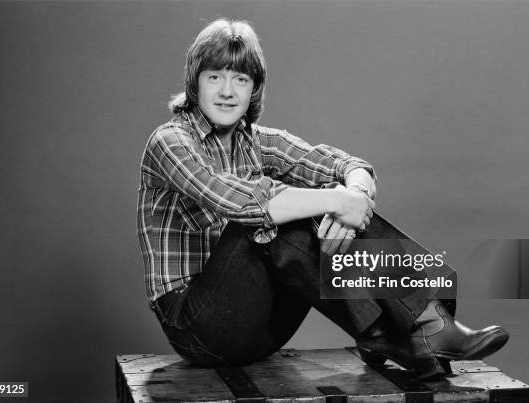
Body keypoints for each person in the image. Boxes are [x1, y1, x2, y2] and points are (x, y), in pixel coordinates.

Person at [137, 18, 508, 380]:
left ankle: (395, 332)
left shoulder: (257, 141)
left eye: (241, 79)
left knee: (309, 207)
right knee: (280, 216)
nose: (227, 91)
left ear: (254, 89)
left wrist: (355, 195)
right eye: (214, 77)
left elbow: (349, 165)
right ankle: (422, 321)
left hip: (263, 327)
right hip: (198, 327)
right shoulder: (170, 142)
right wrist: (335, 202)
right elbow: (245, 203)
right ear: (195, 83)